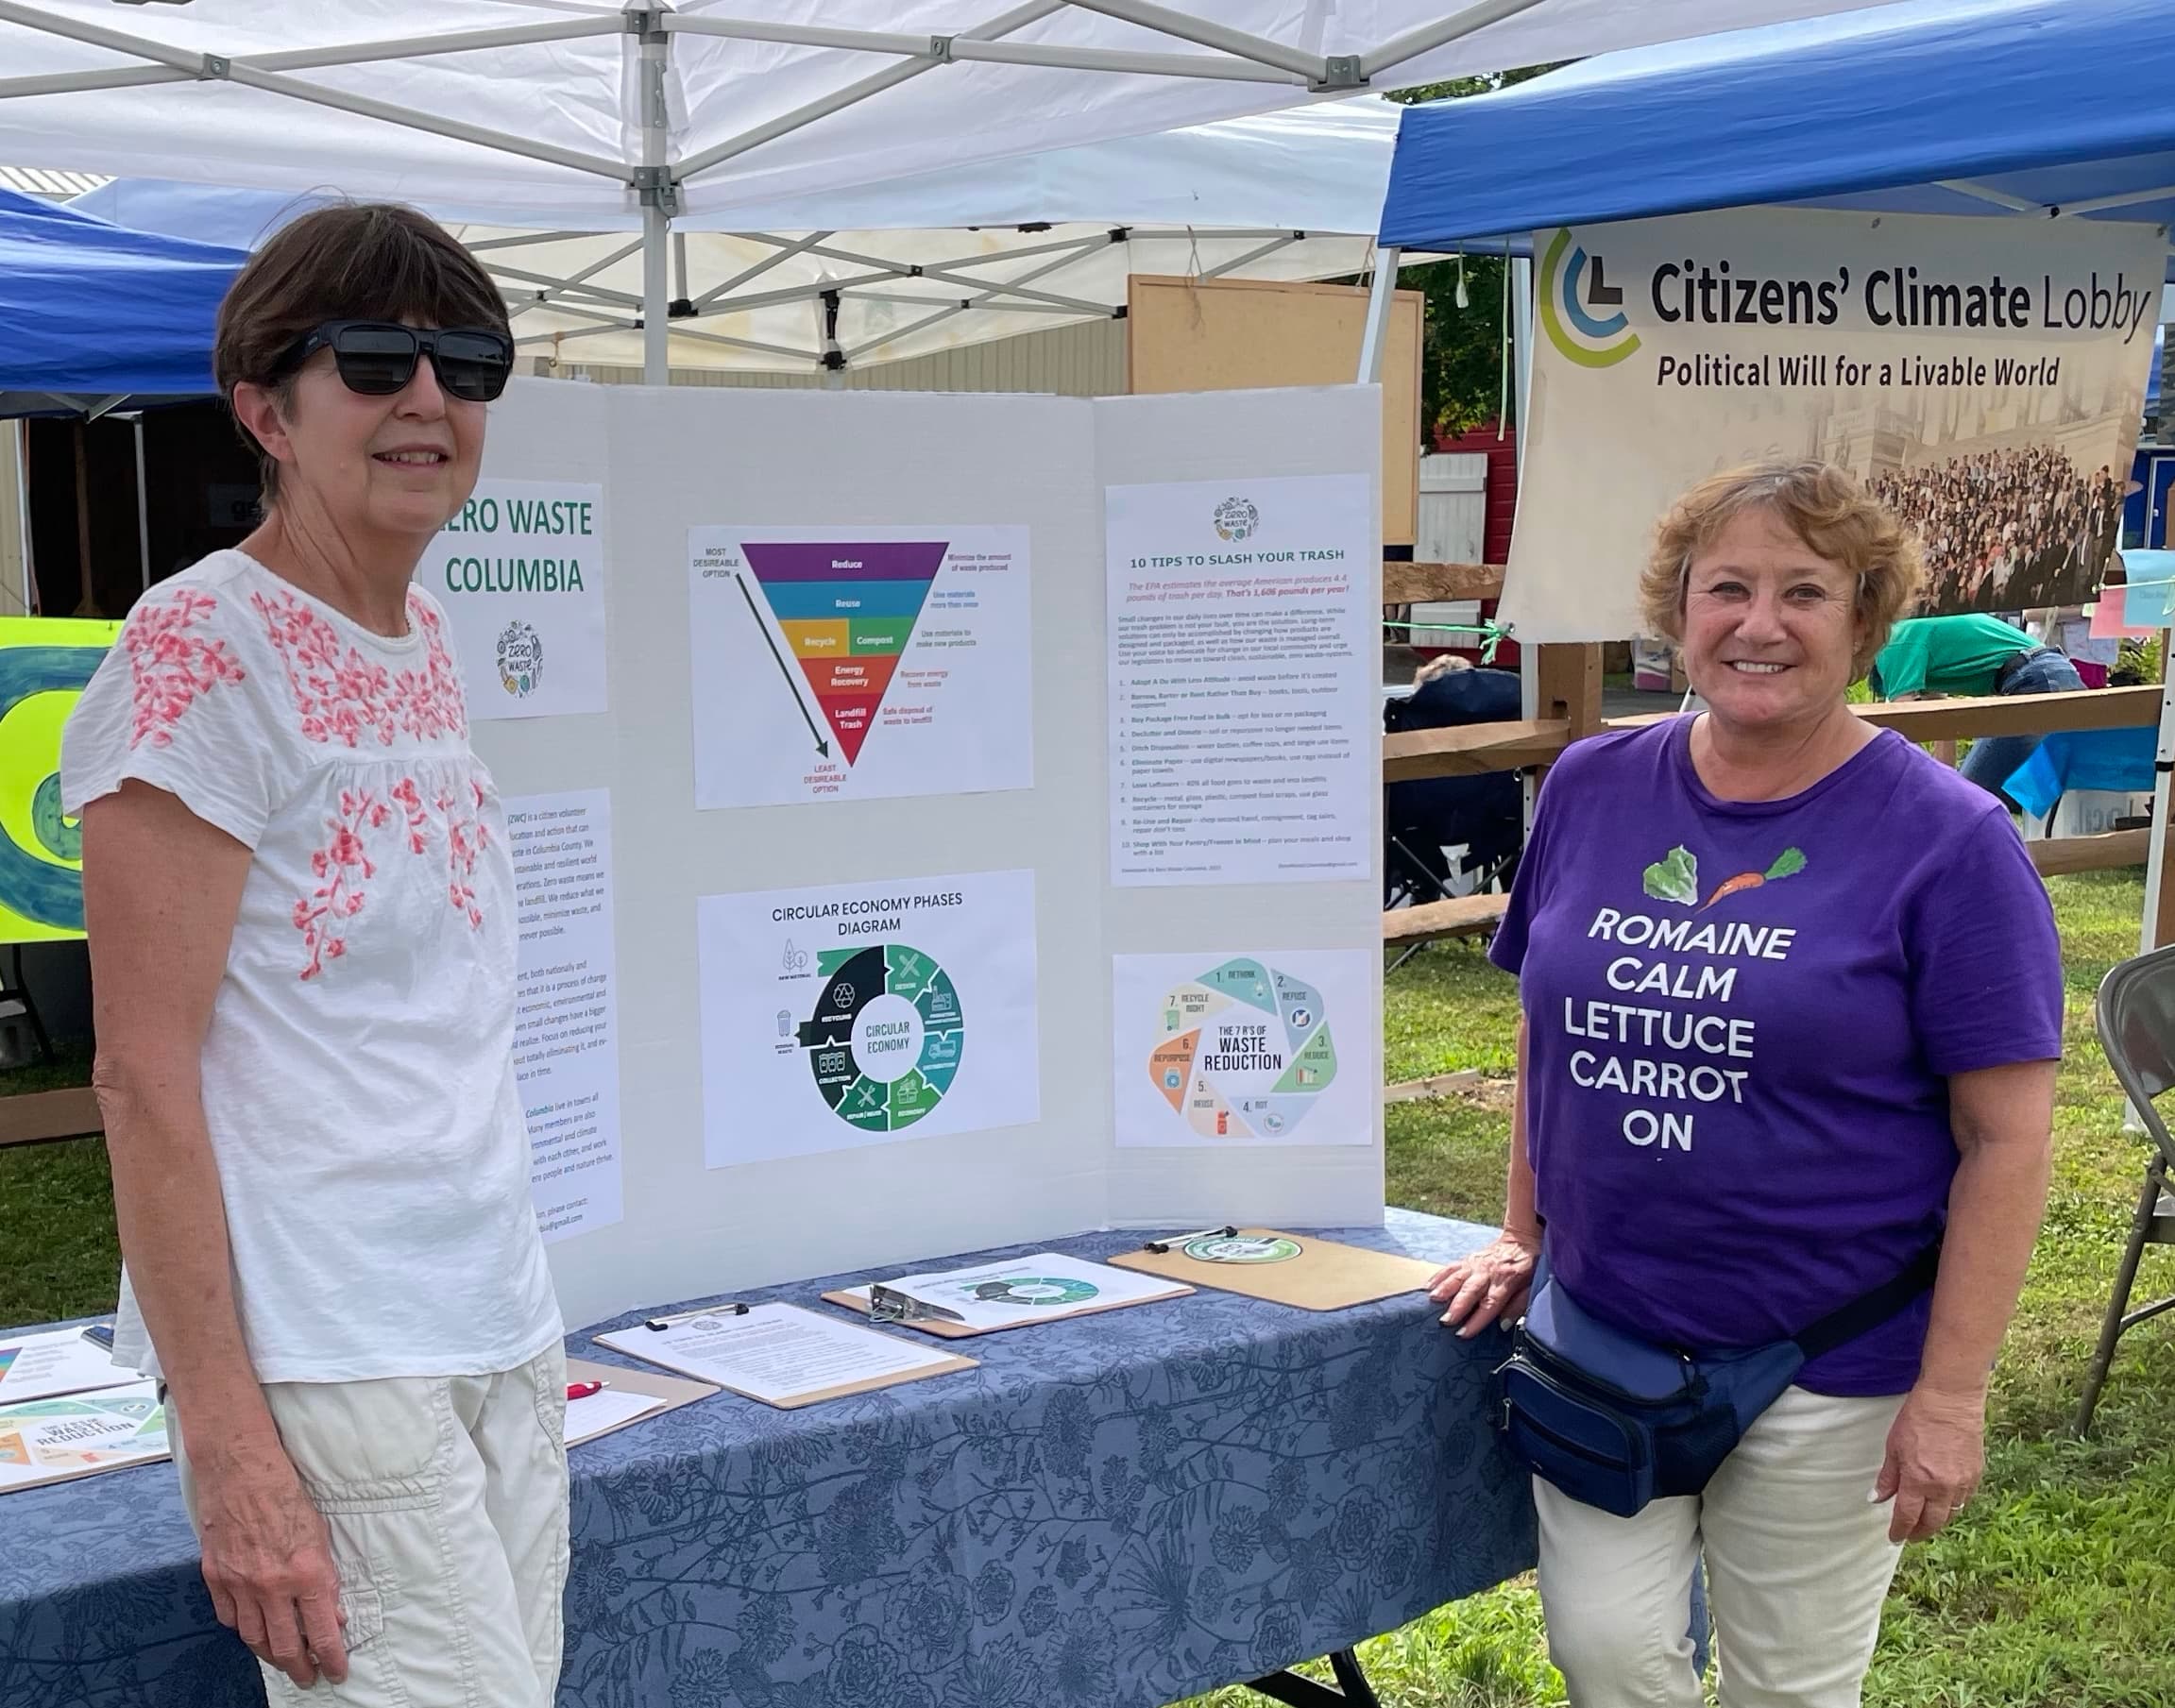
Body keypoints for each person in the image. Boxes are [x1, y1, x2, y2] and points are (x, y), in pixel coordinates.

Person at [1429, 462, 2061, 1708]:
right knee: (1602, 1652)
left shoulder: (1947, 842)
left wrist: (1947, 1393)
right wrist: (1519, 1231)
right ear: (1675, 609)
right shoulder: (1591, 788)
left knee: (1785, 1689)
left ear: (1863, 623)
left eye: (1802, 592)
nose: (1756, 623)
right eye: (1724, 586)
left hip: (1827, 1352)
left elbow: (2005, 1138)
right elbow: (1544, 1033)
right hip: (1603, 1322)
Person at [62, 205, 566, 1706]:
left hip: (494, 1314)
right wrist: (227, 1445)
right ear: (260, 409)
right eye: (372, 360)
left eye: (467, 362)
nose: (428, 397)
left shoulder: (426, 634)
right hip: (334, 1349)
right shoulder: (200, 650)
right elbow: (140, 1073)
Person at [1870, 612, 2087, 807]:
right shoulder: (1906, 641)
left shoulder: (1893, 643)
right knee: (2031, 793)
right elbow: (1945, 721)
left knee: (1967, 799)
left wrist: (1939, 789)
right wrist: (1945, 781)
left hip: (2035, 680)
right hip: (2052, 673)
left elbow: (1906, 725)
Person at [1384, 655, 1523, 904]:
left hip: (1415, 841)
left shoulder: (1411, 728)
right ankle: (1514, 916)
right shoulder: (1500, 722)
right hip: (1495, 834)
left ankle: (1421, 900)